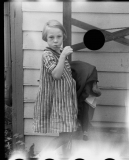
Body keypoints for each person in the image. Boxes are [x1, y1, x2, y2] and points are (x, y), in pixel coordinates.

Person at [33, 20, 78, 157]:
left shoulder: (58, 54)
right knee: (66, 134)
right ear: (45, 39)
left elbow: (64, 76)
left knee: (68, 133)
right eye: (51, 37)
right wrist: (64, 55)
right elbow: (57, 75)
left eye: (58, 37)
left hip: (65, 101)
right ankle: (40, 156)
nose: (55, 41)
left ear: (63, 36)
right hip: (57, 102)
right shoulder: (47, 55)